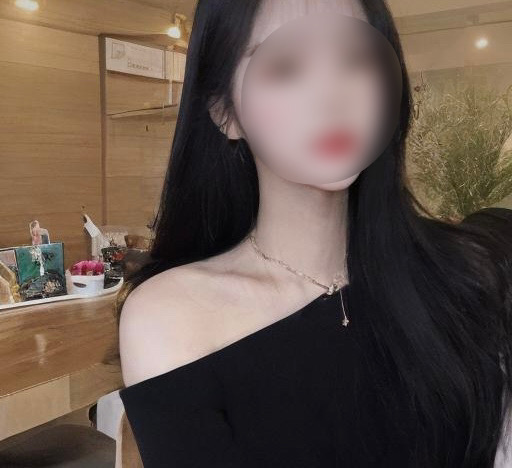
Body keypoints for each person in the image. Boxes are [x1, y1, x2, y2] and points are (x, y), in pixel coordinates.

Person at [115, 0, 512, 466]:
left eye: (356, 60)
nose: (330, 96)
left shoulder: (469, 272)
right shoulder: (172, 318)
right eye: (285, 67)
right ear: (225, 113)